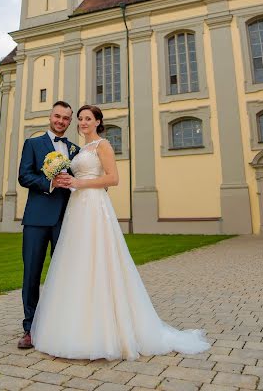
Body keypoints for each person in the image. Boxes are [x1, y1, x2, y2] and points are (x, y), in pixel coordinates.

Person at [30, 104, 211, 360]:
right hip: (76, 207)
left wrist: (80, 182)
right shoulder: (79, 150)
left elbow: (113, 178)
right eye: (79, 119)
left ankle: (108, 329)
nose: (82, 123)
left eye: (87, 119)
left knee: (99, 259)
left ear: (97, 122)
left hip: (94, 205)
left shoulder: (103, 145)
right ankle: (75, 325)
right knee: (77, 261)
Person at [17, 100, 80, 349]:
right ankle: (30, 328)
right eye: (57, 116)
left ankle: (59, 325)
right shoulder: (33, 144)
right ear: (50, 116)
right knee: (32, 273)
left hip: (66, 219)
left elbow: (81, 178)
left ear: (70, 121)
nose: (61, 121)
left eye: (66, 118)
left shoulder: (75, 150)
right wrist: (51, 183)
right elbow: (24, 176)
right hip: (36, 220)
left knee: (62, 275)